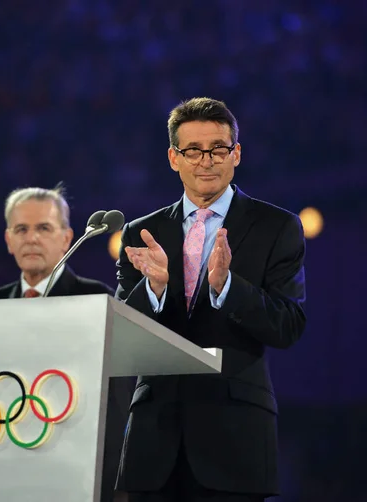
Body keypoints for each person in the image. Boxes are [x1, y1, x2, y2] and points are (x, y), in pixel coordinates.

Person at [114, 97, 307, 502]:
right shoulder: (140, 234)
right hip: (154, 444)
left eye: (219, 148)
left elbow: (289, 324)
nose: (207, 160)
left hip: (235, 441)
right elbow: (120, 338)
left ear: (236, 154)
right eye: (193, 151)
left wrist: (226, 287)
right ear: (173, 158)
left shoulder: (277, 226)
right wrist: (157, 289)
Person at [0, 185, 131, 502]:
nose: (31, 238)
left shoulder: (98, 300)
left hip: (84, 476)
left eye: (43, 228)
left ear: (66, 238)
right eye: (21, 229)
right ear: (8, 240)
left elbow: (118, 403)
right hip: (7, 473)